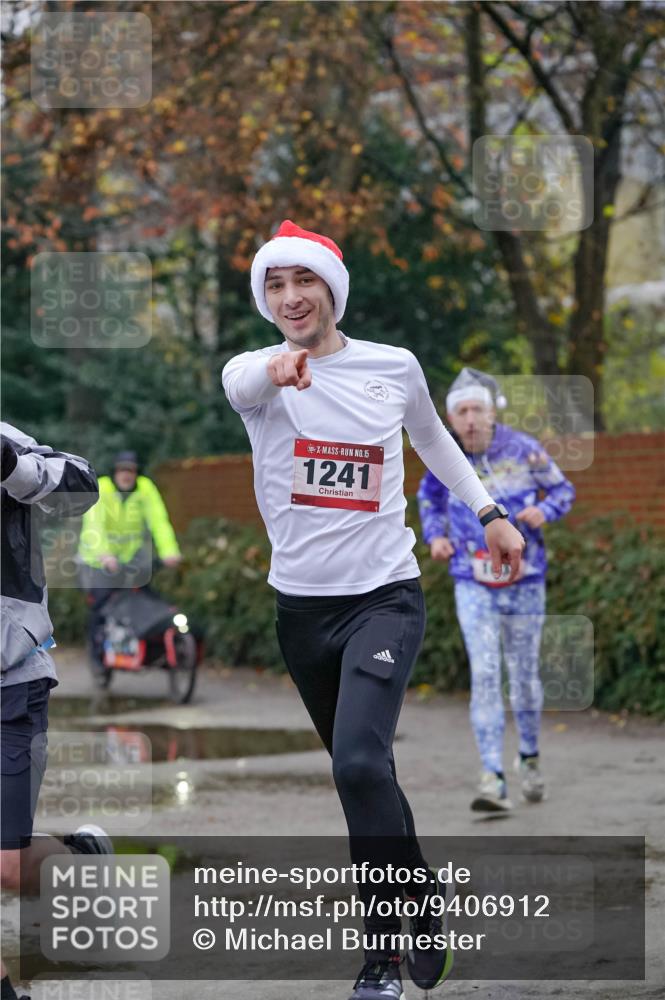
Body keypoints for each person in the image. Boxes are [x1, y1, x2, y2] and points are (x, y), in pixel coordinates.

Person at [222, 221, 525, 999]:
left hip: (385, 596)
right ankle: (422, 898)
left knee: (359, 763)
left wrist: (489, 511)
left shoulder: (392, 367)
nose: (291, 297)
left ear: (331, 288)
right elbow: (245, 383)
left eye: (305, 281)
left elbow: (435, 443)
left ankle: (379, 958)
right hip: (302, 612)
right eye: (275, 285)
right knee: (367, 776)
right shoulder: (253, 375)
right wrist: (278, 368)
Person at [417, 368, 576, 813]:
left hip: (525, 579)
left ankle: (529, 758)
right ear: (450, 417)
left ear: (492, 412)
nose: (469, 420)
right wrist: (437, 537)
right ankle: (492, 777)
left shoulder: (523, 450)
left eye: (477, 410)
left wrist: (544, 510)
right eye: (461, 411)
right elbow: (427, 497)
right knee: (486, 674)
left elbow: (563, 488)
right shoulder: (445, 454)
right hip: (473, 580)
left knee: (523, 675)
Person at [1, 424, 113, 1000]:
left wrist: (11, 466)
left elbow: (82, 486)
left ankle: (81, 859)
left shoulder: (3, 439)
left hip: (10, 681)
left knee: (7, 868)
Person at [77, 450, 181, 670]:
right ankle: (97, 656)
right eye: (122, 470)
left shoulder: (145, 488)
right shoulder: (102, 488)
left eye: (131, 470)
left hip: (129, 557)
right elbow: (93, 525)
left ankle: (144, 647)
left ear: (136, 473)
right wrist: (104, 555)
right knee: (101, 605)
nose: (126, 475)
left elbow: (159, 521)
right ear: (115, 472)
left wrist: (169, 551)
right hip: (98, 560)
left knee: (144, 595)